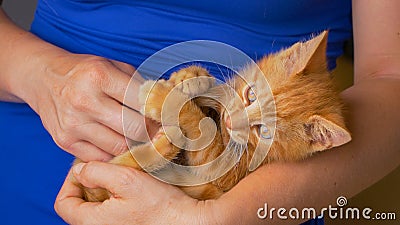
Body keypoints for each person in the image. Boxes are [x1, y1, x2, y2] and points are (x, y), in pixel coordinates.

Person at [0, 0, 398, 224]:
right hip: (30, 138)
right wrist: (37, 73)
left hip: (258, 198)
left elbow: (392, 75)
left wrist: (219, 217)